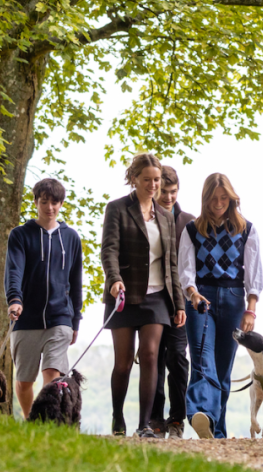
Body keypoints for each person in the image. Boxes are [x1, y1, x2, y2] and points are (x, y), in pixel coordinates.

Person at [101, 152, 186, 439]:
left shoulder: (165, 217)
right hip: (124, 294)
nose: (153, 185)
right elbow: (109, 250)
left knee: (151, 355)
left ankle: (145, 425)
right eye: (147, 179)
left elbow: (171, 263)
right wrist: (114, 280)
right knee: (123, 363)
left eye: (157, 180)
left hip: (156, 298)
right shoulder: (117, 209)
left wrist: (178, 303)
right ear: (134, 179)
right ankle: (117, 415)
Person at [178, 173, 263, 439]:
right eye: (213, 198)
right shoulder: (192, 230)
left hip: (233, 299)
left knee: (223, 367)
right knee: (203, 360)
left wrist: (251, 309)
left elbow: (254, 273)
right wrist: (192, 294)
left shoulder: (246, 229)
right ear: (205, 199)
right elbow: (186, 270)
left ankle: (217, 429)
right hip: (200, 298)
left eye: (223, 197)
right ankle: (201, 413)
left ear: (231, 198)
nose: (218, 203)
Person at [5, 178, 83, 419]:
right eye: (45, 202)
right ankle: (31, 420)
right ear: (36, 202)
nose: (50, 207)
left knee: (52, 375)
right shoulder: (20, 235)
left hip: (60, 318)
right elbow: (14, 270)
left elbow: (76, 281)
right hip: (25, 318)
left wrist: (75, 320)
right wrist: (15, 299)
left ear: (61, 204)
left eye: (55, 202)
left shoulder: (71, 237)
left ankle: (46, 422)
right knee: (24, 381)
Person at [149, 165, 196, 439]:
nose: (169, 197)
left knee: (177, 358)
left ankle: (177, 419)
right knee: (152, 360)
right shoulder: (146, 218)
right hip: (151, 302)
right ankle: (155, 419)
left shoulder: (189, 222)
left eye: (173, 192)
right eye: (164, 192)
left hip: (180, 305)